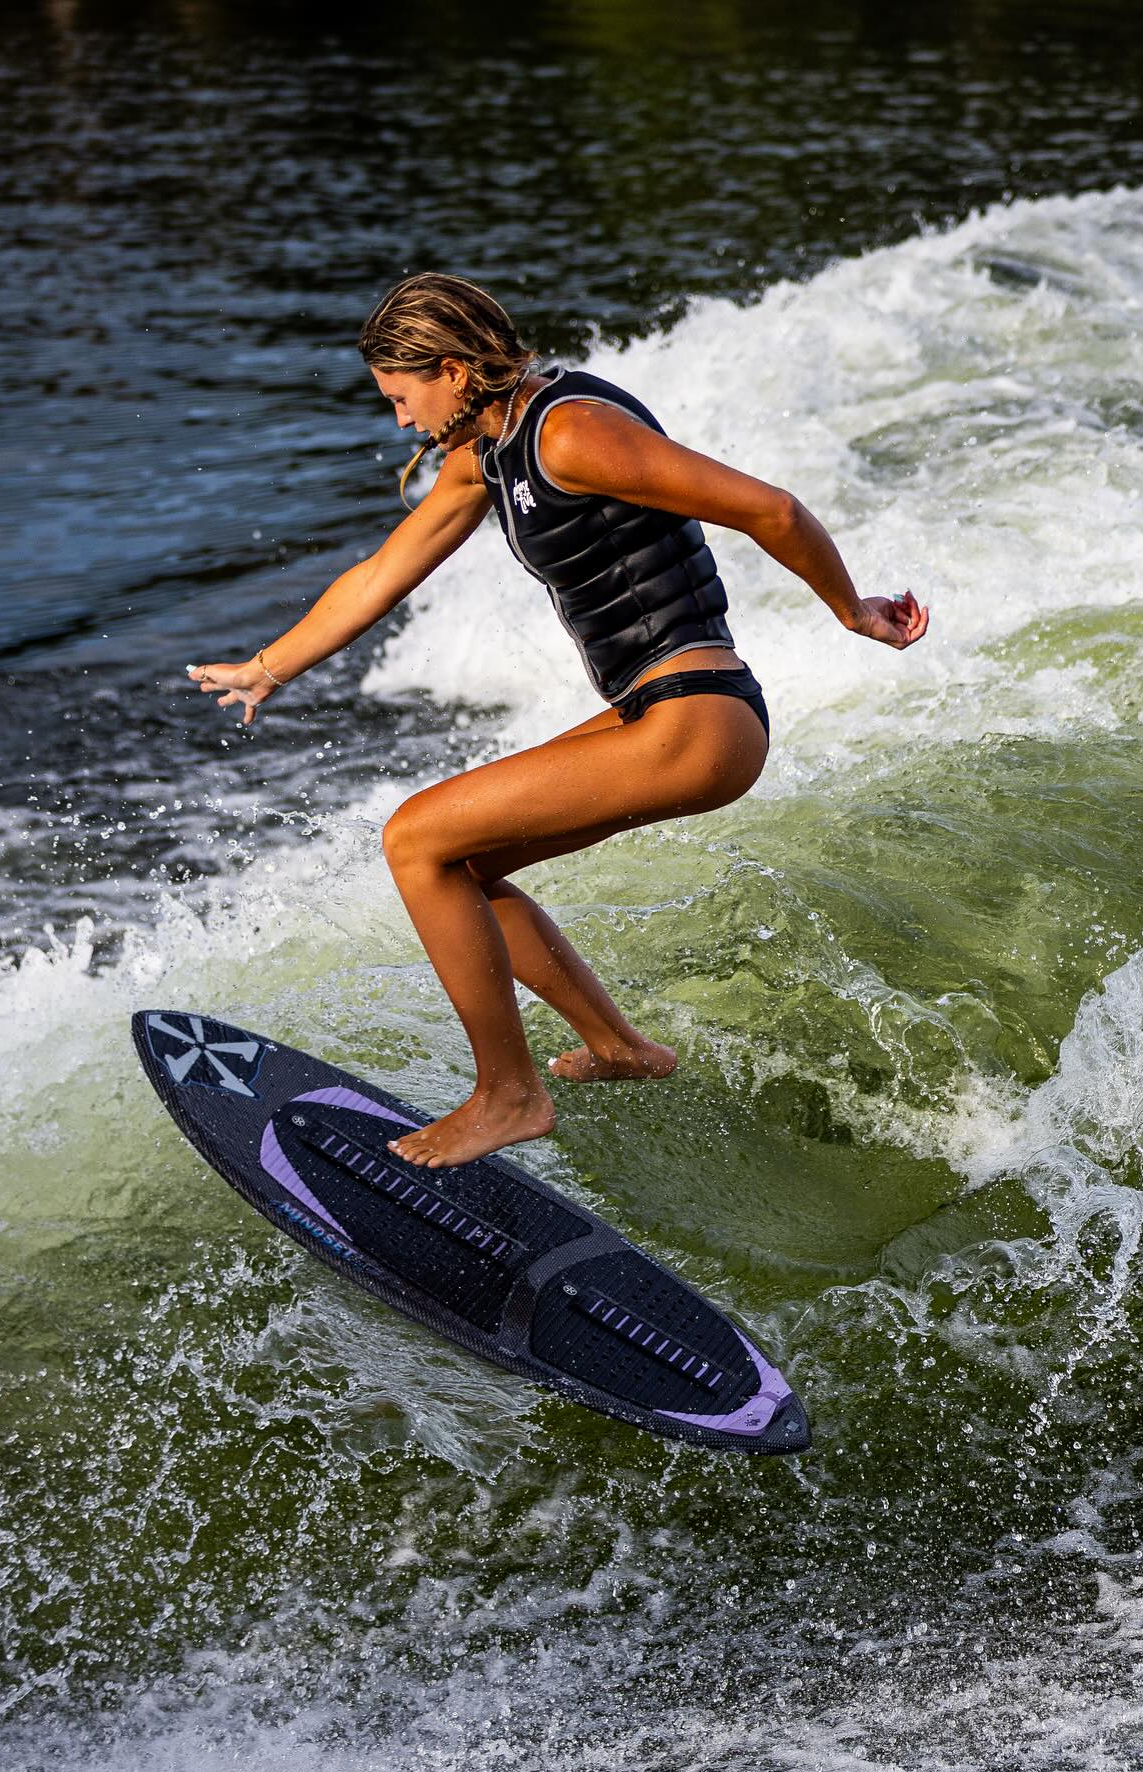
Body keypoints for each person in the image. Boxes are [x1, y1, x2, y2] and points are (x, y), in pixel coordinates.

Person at [188, 273, 928, 1170]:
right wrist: (266, 669)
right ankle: (619, 1049)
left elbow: (768, 507)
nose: (398, 423)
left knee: (413, 840)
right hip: (652, 713)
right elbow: (384, 572)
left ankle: (508, 1095)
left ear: (455, 372)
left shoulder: (570, 431)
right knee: (459, 864)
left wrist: (853, 610)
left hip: (698, 722)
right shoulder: (487, 452)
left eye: (400, 398)